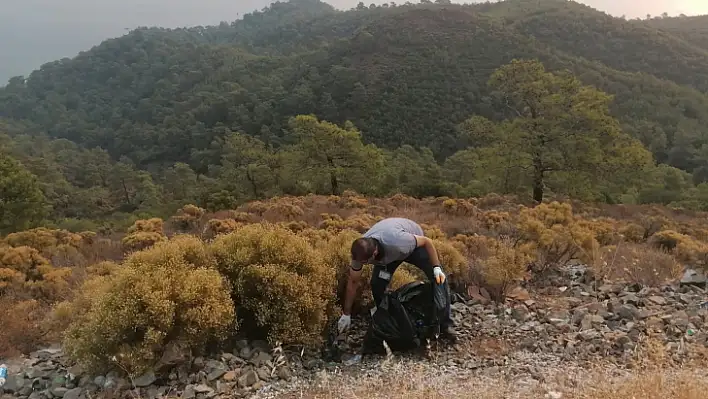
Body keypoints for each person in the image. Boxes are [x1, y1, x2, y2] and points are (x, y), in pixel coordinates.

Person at [337, 217, 457, 340]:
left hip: (412, 244)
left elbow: (427, 242)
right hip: (388, 254)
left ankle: (446, 325)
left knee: (439, 278)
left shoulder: (400, 242)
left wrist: (436, 267)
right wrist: (346, 313)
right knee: (377, 284)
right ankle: (385, 318)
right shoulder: (359, 253)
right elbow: (353, 281)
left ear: (374, 253)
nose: (362, 264)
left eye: (365, 262)